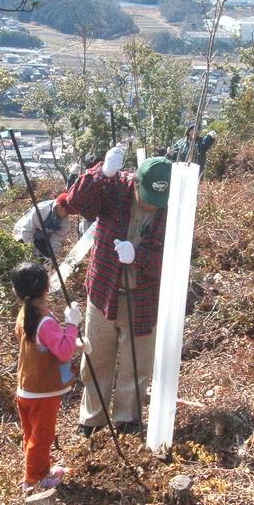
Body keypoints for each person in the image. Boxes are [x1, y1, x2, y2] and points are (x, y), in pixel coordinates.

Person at [60, 146, 171, 437]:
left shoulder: (171, 208)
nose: (150, 206)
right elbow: (75, 202)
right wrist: (101, 173)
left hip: (143, 298)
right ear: (136, 181)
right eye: (147, 198)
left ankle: (127, 420)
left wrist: (139, 255)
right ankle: (92, 419)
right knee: (96, 358)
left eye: (156, 201)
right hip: (103, 291)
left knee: (137, 364)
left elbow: (172, 259)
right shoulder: (114, 187)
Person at [11, 261, 86, 492]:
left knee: (32, 435)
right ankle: (34, 480)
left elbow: (44, 345)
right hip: (43, 391)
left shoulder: (25, 313)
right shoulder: (43, 320)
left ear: (17, 291)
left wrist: (73, 341)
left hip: (26, 385)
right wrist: (72, 324)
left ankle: (39, 470)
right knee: (41, 437)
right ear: (46, 288)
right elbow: (62, 351)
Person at [13, 193, 72, 261]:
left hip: (41, 235)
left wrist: (53, 254)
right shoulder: (42, 210)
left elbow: (57, 237)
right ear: (59, 206)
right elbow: (26, 231)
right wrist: (36, 253)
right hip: (23, 233)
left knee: (47, 256)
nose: (68, 215)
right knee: (30, 257)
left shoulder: (64, 219)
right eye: (67, 212)